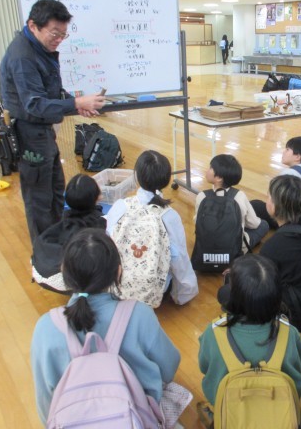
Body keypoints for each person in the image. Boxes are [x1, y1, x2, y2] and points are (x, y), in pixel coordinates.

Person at [31, 228, 181, 423]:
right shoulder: (139, 314)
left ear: (63, 272)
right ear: (118, 271)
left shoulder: (46, 327)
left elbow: (45, 404)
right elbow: (169, 366)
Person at [0, 0, 106, 243]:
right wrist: (76, 103)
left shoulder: (39, 49)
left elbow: (51, 91)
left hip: (42, 131)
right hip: (29, 132)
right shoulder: (23, 57)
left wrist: (76, 105)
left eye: (63, 34)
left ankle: (58, 240)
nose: (59, 39)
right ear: (33, 25)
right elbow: (35, 104)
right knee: (39, 197)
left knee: (56, 189)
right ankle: (44, 251)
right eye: (54, 33)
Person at [198, 254, 301, 407]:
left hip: (229, 408)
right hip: (281, 408)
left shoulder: (213, 332)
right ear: (277, 295)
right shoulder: (289, 332)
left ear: (233, 296)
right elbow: (298, 366)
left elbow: (204, 366)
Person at [106, 150, 198, 306]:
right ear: (166, 180)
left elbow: (109, 242)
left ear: (136, 176)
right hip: (153, 292)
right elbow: (178, 257)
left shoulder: (120, 206)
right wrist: (184, 293)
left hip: (117, 286)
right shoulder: (169, 216)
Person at [258, 175, 301, 332]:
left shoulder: (273, 246)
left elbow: (262, 286)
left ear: (275, 206)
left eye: (268, 197)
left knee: (227, 293)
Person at [31, 173, 106, 292]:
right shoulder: (100, 222)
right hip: (66, 280)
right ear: (97, 197)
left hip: (39, 273)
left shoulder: (65, 219)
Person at [251, 136, 301, 229]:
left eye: (287, 149)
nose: (283, 151)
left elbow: (275, 199)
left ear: (297, 157)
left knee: (256, 205)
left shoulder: (289, 174)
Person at [195, 154, 269, 251]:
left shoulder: (202, 196)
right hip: (235, 250)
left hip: (207, 250)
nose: (207, 170)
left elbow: (198, 223)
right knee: (263, 224)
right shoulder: (239, 196)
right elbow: (254, 224)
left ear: (219, 177)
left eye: (210, 168)